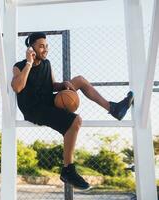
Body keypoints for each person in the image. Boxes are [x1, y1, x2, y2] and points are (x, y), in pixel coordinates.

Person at [11, 32, 134, 190]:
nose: (45, 49)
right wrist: (29, 63)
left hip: (48, 101)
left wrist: (62, 85)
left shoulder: (46, 64)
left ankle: (114, 108)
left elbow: (52, 85)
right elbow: (17, 87)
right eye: (41, 46)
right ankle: (68, 170)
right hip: (34, 109)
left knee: (80, 80)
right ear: (31, 48)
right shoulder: (20, 66)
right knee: (76, 121)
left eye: (46, 46)